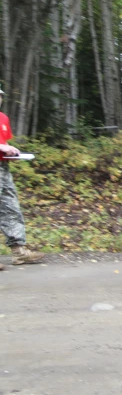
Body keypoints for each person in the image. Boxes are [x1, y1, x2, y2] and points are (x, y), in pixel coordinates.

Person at [0, 85, 44, 271]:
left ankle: (19, 251)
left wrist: (11, 150)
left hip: (3, 168)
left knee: (11, 207)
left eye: (0, 96)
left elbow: (3, 142)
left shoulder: (3, 118)